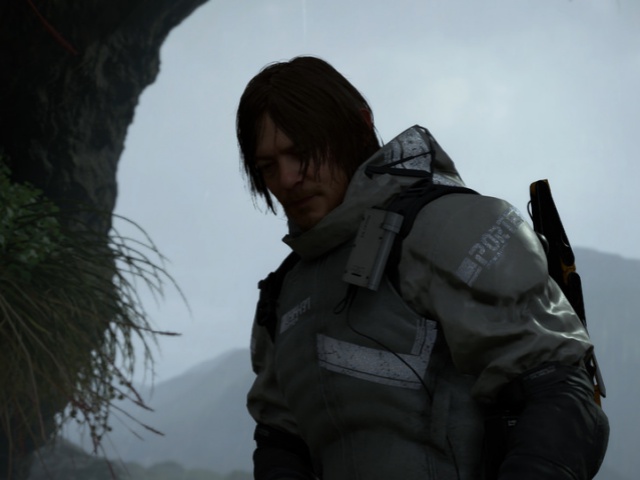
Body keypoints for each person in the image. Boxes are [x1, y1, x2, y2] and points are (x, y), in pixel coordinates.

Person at [236, 56, 609, 480]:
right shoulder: (285, 293)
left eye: (301, 153)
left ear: (358, 126)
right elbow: (281, 441)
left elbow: (562, 399)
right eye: (267, 166)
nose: (287, 179)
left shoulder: (450, 228)